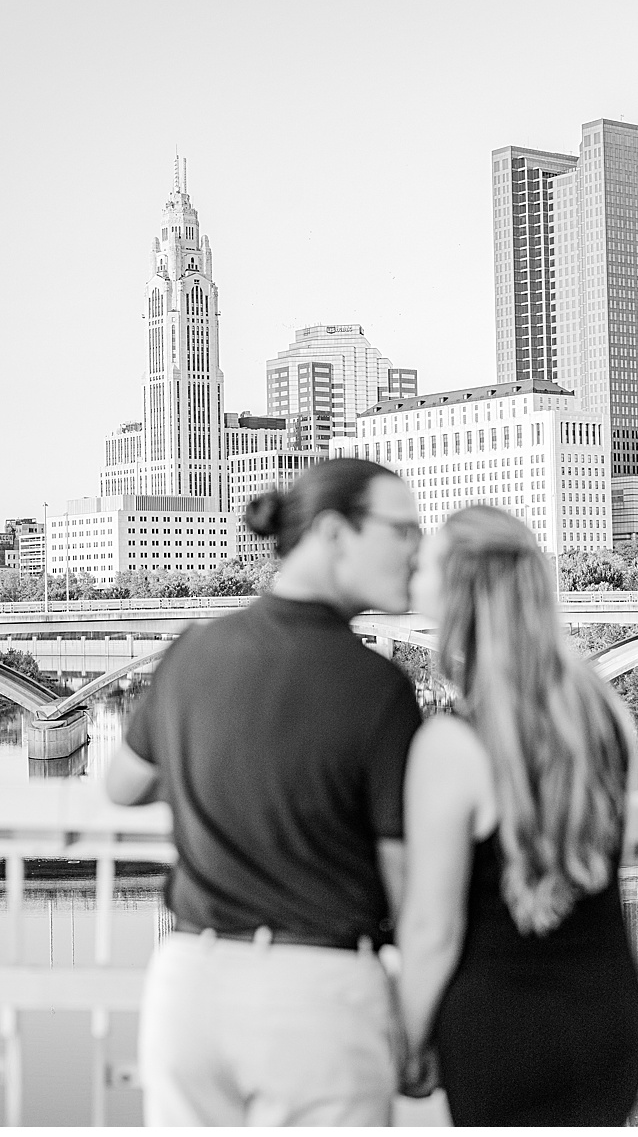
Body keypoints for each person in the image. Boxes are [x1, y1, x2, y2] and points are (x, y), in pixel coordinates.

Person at [105, 458, 424, 1125]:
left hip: (190, 985)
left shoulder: (194, 650)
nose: (415, 549)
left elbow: (123, 785)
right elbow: (409, 892)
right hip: (317, 999)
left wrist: (216, 761)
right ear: (334, 532)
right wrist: (419, 1026)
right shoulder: (378, 689)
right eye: (401, 530)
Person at [394, 505, 638, 1125]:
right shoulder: (605, 714)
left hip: (497, 1034)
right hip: (606, 1023)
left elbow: (432, 931)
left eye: (425, 561)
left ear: (460, 589)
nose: (411, 567)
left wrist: (407, 1042)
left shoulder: (450, 745)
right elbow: (619, 859)